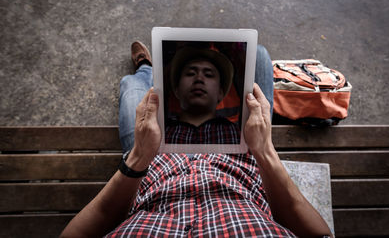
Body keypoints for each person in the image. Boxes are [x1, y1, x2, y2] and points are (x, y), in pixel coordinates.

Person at [61, 41, 332, 237]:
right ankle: (150, 70)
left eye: (209, 74)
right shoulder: (253, 134)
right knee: (259, 54)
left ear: (220, 94)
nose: (199, 77)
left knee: (131, 85)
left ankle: (145, 68)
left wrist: (137, 157)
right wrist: (265, 152)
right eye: (190, 73)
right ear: (176, 91)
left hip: (146, 162)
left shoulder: (244, 131)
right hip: (154, 148)